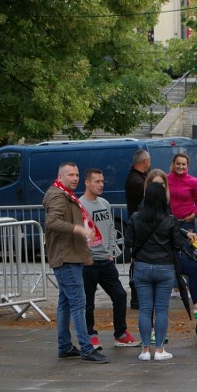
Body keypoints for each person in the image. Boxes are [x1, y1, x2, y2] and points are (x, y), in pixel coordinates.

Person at [43, 162, 109, 363]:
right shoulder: (57, 195)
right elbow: (52, 222)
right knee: (79, 303)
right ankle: (87, 348)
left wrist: (84, 254)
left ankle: (64, 346)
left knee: (65, 302)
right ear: (60, 176)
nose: (75, 178)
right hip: (65, 258)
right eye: (70, 174)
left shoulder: (66, 194)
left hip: (71, 256)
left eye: (77, 174)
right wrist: (78, 230)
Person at [125, 183, 192, 361]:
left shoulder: (135, 217)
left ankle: (145, 349)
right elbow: (178, 244)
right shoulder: (170, 220)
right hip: (164, 267)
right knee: (162, 309)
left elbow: (128, 241)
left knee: (145, 309)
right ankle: (160, 350)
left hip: (142, 267)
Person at [79, 169, 140, 350]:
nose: (101, 185)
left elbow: (111, 228)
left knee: (120, 295)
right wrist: (85, 255)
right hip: (89, 262)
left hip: (105, 260)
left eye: (102, 181)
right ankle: (90, 334)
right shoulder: (80, 205)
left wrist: (111, 250)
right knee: (88, 302)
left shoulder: (104, 203)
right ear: (87, 183)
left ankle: (120, 333)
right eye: (96, 181)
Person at [167, 153, 197, 318]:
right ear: (173, 164)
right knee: (172, 255)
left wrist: (194, 214)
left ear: (187, 166)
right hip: (171, 224)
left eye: (184, 164)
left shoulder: (193, 181)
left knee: (188, 256)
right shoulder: (167, 180)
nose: (180, 167)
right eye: (178, 164)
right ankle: (175, 287)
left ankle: (192, 294)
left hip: (187, 223)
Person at [125, 149, 151, 309]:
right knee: (139, 263)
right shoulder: (136, 181)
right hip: (139, 227)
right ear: (145, 161)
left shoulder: (138, 178)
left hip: (141, 225)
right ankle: (137, 298)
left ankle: (140, 297)